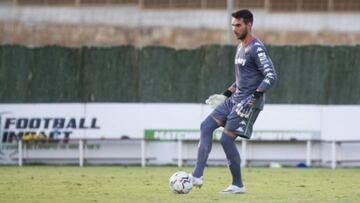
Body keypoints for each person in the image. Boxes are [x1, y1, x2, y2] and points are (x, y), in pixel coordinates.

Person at [190, 9, 277, 194]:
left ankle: (237, 184)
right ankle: (197, 175)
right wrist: (226, 94)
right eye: (233, 25)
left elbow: (271, 76)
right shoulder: (240, 47)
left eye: (238, 25)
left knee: (226, 139)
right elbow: (242, 79)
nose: (234, 29)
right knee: (205, 126)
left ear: (249, 25)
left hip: (248, 102)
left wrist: (254, 97)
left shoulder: (256, 48)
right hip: (235, 99)